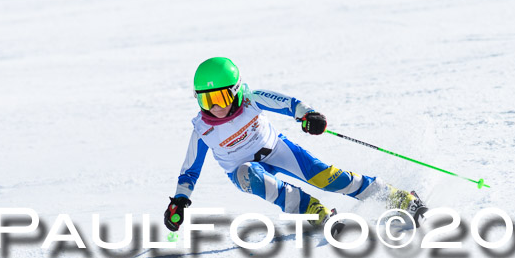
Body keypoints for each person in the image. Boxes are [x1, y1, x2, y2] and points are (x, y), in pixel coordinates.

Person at [164, 57, 427, 233]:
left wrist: (308, 116)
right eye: (207, 100)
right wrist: (179, 201)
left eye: (220, 97)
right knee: (253, 175)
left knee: (326, 177)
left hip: (276, 149)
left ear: (235, 91)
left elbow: (289, 104)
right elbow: (190, 171)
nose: (216, 107)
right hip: (242, 171)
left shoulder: (250, 100)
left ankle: (398, 197)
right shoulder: (203, 129)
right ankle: (315, 211)